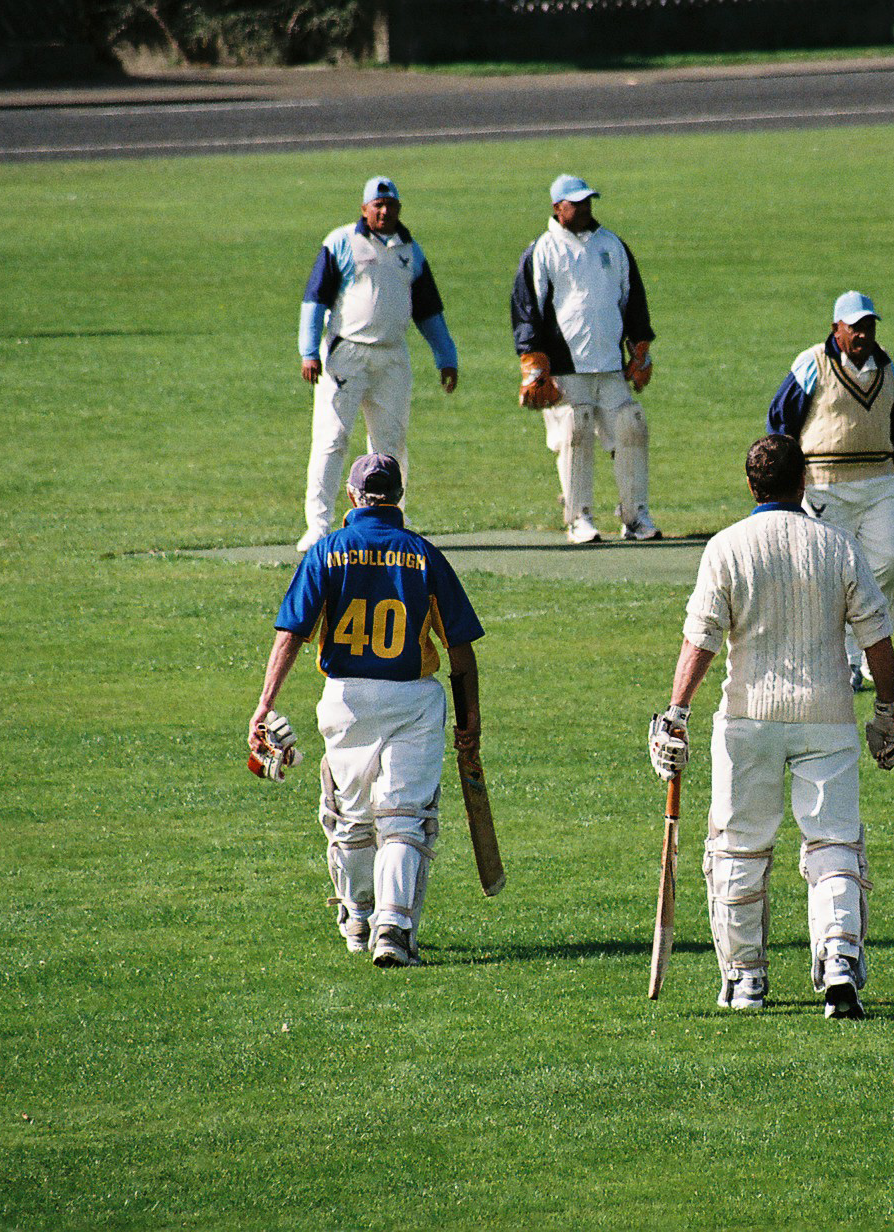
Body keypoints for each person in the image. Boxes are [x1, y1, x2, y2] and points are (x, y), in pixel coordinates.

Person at [648, 434, 894, 1020]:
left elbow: (702, 638)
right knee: (833, 843)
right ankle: (840, 961)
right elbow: (877, 634)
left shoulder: (726, 547)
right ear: (804, 484)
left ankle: (745, 979)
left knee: (740, 849)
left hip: (748, 717)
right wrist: (888, 708)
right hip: (827, 716)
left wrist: (677, 711)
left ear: (751, 487)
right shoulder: (838, 546)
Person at [249, 453, 485, 968]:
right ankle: (394, 930)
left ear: (352, 497)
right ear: (399, 496)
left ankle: (358, 917)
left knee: (352, 818)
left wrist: (265, 703)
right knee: (402, 817)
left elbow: (291, 632)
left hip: (346, 699)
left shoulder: (327, 551)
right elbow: (460, 648)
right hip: (412, 701)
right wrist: (470, 720)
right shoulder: (424, 555)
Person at [297, 176, 459, 552]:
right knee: (332, 438)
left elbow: (429, 309)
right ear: (364, 208)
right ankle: (318, 525)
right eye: (377, 205)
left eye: (390, 205)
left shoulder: (410, 251)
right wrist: (308, 350)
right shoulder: (341, 242)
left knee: (390, 443)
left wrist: (446, 356)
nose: (384, 211)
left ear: (399, 208)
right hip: (346, 355)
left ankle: (392, 521)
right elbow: (314, 299)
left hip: (392, 356)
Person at [767, 291, 894, 690]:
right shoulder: (812, 363)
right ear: (837, 327)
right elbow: (779, 422)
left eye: (869, 326)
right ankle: (848, 660)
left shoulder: (888, 367)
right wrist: (786, 486)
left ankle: (863, 647)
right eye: (856, 327)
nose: (863, 334)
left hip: (882, 482)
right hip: (823, 485)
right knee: (829, 576)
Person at [511, 174, 660, 545]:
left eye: (588, 201)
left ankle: (635, 515)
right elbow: (527, 309)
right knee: (575, 434)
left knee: (631, 426)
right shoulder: (542, 250)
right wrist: (532, 363)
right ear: (557, 207)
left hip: (609, 364)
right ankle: (578, 518)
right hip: (565, 367)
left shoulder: (612, 245)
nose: (584, 208)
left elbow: (633, 301)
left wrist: (639, 349)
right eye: (575, 203)